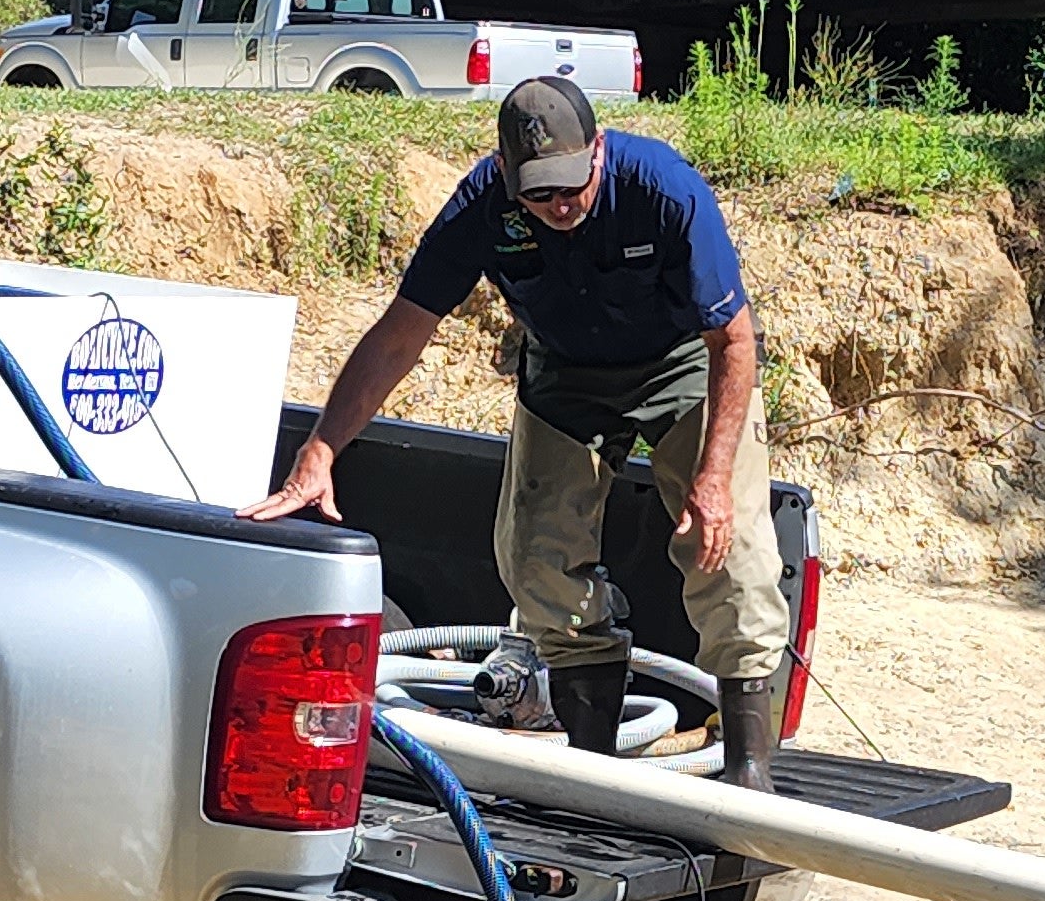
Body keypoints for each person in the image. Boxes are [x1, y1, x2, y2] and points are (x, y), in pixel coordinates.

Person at [244, 76, 791, 787]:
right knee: (534, 559)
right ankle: (595, 768)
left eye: (573, 187)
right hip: (564, 370)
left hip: (684, 364)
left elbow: (735, 343)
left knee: (734, 550)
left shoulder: (666, 191)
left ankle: (750, 772)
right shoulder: (479, 207)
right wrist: (319, 450)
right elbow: (398, 338)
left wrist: (713, 482)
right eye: (539, 194)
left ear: (599, 150)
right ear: (506, 174)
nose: (560, 207)